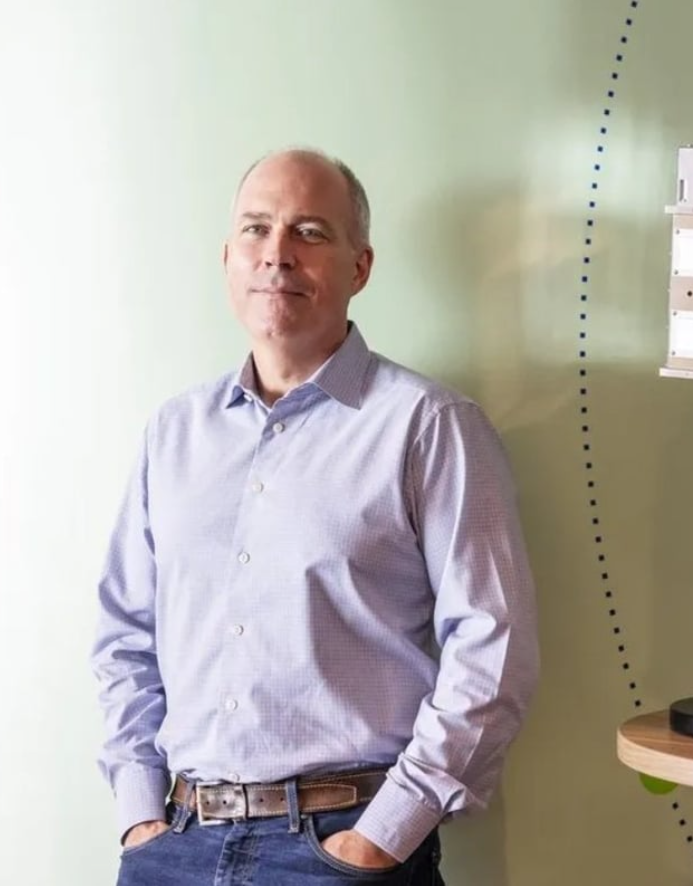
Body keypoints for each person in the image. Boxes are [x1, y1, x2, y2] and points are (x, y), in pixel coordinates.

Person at [91, 147, 539, 885]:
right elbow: (125, 635)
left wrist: (381, 838)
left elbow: (494, 648)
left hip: (342, 849)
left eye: (309, 232)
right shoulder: (173, 433)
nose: (277, 254)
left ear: (360, 267)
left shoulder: (427, 426)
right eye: (256, 229)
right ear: (228, 257)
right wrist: (141, 815)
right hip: (173, 847)